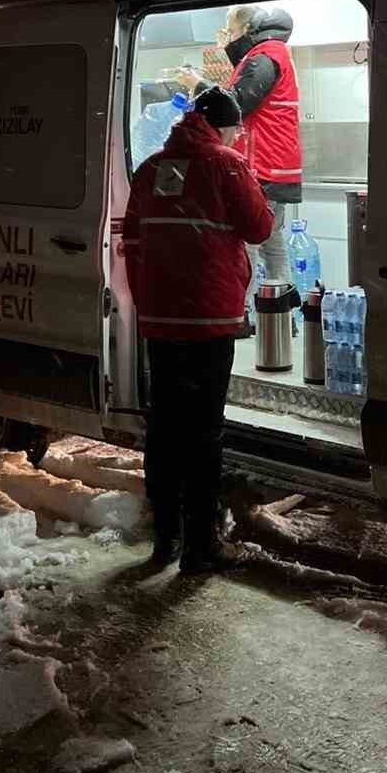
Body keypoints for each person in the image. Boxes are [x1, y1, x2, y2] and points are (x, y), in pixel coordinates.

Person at [123, 85, 275, 573]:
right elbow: (259, 227)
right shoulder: (226, 164)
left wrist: (149, 303)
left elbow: (132, 240)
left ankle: (165, 538)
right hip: (209, 321)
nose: (236, 137)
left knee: (165, 427)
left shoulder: (151, 168)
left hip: (161, 321)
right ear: (222, 128)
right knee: (204, 431)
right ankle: (200, 548)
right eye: (235, 130)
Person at [178, 5, 303, 320]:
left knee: (245, 242)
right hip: (274, 165)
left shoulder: (265, 56)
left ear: (249, 29)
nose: (227, 38)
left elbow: (234, 104)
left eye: (230, 32)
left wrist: (198, 85)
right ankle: (280, 316)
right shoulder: (266, 54)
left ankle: (238, 313)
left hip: (263, 165)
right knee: (271, 241)